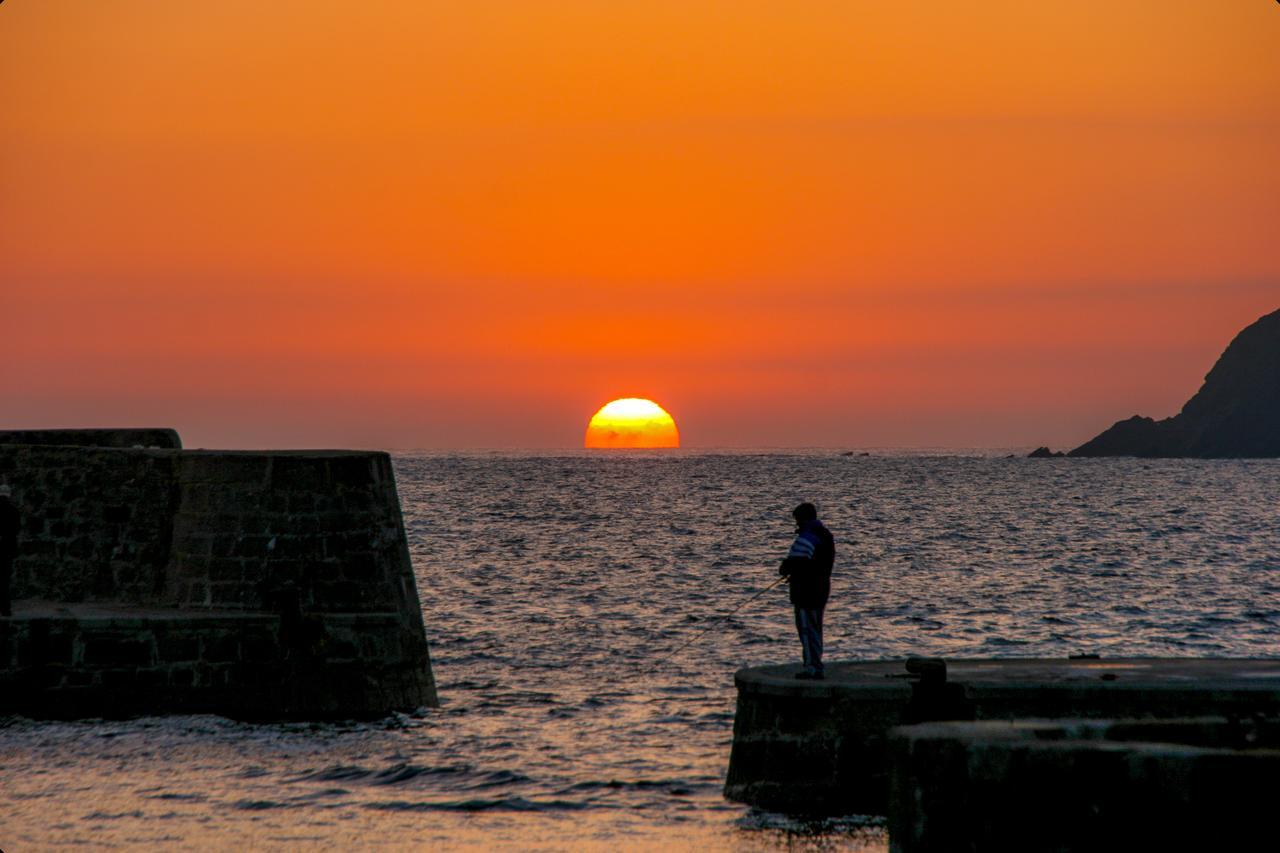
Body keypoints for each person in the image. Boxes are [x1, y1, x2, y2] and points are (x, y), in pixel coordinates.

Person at [778, 502, 835, 679]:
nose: (796, 524)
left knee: (806, 629)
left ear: (803, 518)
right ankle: (816, 665)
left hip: (806, 593)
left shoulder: (808, 537)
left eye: (797, 520)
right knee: (815, 628)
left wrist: (787, 570)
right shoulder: (825, 535)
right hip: (821, 589)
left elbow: (791, 564)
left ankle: (812, 667)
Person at [0, 485, 18, 617]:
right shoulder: (13, 510)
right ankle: (6, 609)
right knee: (5, 580)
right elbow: (17, 529)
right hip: (7, 549)